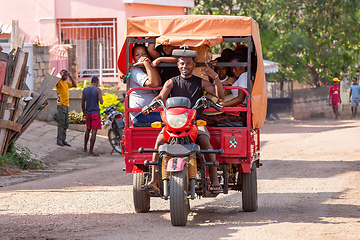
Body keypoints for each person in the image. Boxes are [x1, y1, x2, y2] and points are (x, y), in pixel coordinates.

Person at [142, 50, 225, 191]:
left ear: (193, 65)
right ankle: (154, 180)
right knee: (159, 141)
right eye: (182, 63)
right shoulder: (171, 82)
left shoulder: (201, 82)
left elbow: (220, 95)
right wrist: (151, 105)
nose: (185, 66)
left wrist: (215, 77)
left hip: (195, 122)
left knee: (205, 141)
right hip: (173, 122)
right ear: (178, 65)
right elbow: (161, 96)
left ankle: (214, 179)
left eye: (188, 63)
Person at [203, 54, 248, 126]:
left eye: (235, 67)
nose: (233, 70)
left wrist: (222, 104)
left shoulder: (244, 76)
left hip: (239, 112)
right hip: (233, 107)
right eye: (231, 68)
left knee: (207, 119)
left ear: (243, 66)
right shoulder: (242, 76)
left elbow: (240, 98)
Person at [129, 44, 162, 123]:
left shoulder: (147, 69)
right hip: (141, 113)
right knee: (170, 119)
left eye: (143, 54)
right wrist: (146, 63)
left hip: (153, 110)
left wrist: (149, 65)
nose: (141, 58)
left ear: (148, 55)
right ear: (133, 57)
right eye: (137, 55)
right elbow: (153, 83)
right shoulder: (135, 71)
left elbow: (159, 82)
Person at [82, 76, 103, 156]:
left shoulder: (85, 90)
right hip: (95, 113)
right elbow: (101, 102)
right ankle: (91, 151)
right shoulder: (98, 90)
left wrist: (84, 112)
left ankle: (85, 148)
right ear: (97, 82)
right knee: (94, 131)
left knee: (87, 129)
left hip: (88, 113)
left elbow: (83, 103)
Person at [56, 69, 77, 146]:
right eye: (65, 75)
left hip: (66, 105)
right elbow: (56, 82)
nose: (66, 77)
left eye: (66, 75)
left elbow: (75, 85)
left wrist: (71, 76)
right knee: (61, 123)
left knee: (65, 124)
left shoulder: (66, 83)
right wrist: (60, 75)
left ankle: (63, 139)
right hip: (61, 105)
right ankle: (59, 140)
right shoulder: (59, 82)